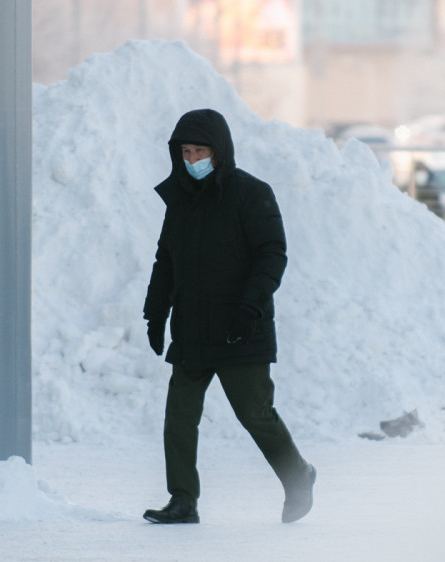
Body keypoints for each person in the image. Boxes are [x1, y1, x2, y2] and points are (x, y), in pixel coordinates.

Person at [142, 108, 315, 525]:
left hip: (241, 329)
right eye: (185, 151)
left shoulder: (251, 193)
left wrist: (250, 307)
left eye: (200, 150)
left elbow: (271, 254)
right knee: (179, 418)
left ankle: (298, 477)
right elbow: (166, 260)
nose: (192, 159)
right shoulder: (180, 199)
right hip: (193, 330)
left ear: (219, 151)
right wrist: (155, 312)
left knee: (255, 414)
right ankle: (183, 499)